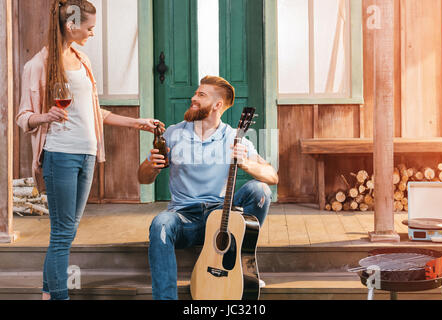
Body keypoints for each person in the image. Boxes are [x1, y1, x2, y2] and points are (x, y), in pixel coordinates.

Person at [16, 0, 162, 300]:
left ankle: (48, 294)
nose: (92, 33)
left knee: (67, 233)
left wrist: (138, 123)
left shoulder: (83, 61)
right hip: (60, 155)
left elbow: (97, 113)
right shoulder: (38, 66)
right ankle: (59, 296)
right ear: (71, 26)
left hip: (87, 154)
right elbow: (22, 117)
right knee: (61, 234)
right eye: (89, 28)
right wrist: (45, 116)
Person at [138, 76, 279, 300]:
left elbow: (272, 176)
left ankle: (242, 265)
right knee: (160, 224)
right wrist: (150, 166)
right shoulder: (173, 134)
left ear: (217, 105)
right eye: (195, 93)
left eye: (201, 95)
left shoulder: (234, 137)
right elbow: (143, 179)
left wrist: (246, 163)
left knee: (259, 191)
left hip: (221, 220)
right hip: (184, 219)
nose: (193, 98)